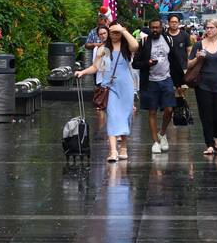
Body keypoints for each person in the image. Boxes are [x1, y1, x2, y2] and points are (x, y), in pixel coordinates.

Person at [80, 22, 137, 163]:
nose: (115, 35)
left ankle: (123, 147)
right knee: (112, 117)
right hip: (110, 87)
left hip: (126, 87)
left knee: (125, 117)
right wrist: (82, 72)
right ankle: (113, 151)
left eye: (117, 33)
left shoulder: (126, 48)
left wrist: (122, 30)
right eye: (112, 32)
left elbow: (135, 45)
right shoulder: (103, 49)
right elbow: (95, 67)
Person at [134, 17, 184, 155]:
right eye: (152, 28)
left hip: (166, 79)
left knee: (169, 109)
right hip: (150, 81)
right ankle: (155, 141)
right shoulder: (144, 42)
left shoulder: (168, 40)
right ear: (149, 28)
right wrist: (147, 63)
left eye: (157, 27)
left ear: (162, 28)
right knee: (152, 112)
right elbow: (135, 63)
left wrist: (179, 82)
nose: (155, 30)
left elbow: (174, 62)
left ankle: (162, 133)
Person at [188, 18, 217, 156]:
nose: (208, 30)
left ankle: (216, 135)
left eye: (211, 28)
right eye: (207, 27)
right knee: (206, 115)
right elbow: (189, 64)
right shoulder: (198, 45)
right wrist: (197, 58)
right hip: (203, 84)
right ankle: (209, 144)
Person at [160, 13, 192, 141]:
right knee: (171, 92)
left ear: (179, 23)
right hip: (167, 69)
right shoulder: (164, 36)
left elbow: (189, 51)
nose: (174, 24)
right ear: (168, 23)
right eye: (172, 22)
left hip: (182, 68)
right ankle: (174, 113)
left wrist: (189, 65)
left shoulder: (184, 35)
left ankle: (179, 112)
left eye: (176, 22)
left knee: (181, 91)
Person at [75, 24, 111, 133]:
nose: (103, 36)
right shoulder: (98, 49)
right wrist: (83, 72)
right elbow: (95, 66)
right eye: (100, 34)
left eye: (105, 33)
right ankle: (104, 133)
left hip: (116, 83)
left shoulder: (117, 47)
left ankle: (113, 135)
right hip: (103, 82)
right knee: (102, 108)